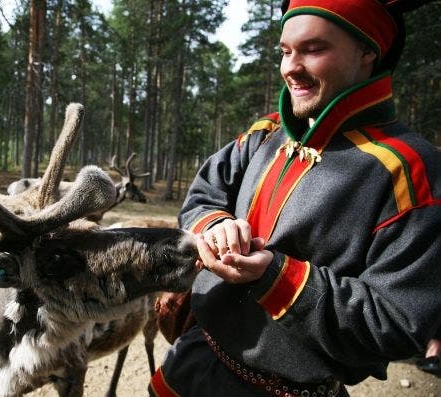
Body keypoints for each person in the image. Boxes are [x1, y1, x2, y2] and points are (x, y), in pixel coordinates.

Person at [149, 1, 440, 396]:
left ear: (368, 51)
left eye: (313, 49)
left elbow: (396, 324)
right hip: (190, 364)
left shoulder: (411, 172)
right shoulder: (266, 132)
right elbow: (204, 194)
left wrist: (274, 275)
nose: (289, 67)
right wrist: (216, 226)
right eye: (285, 51)